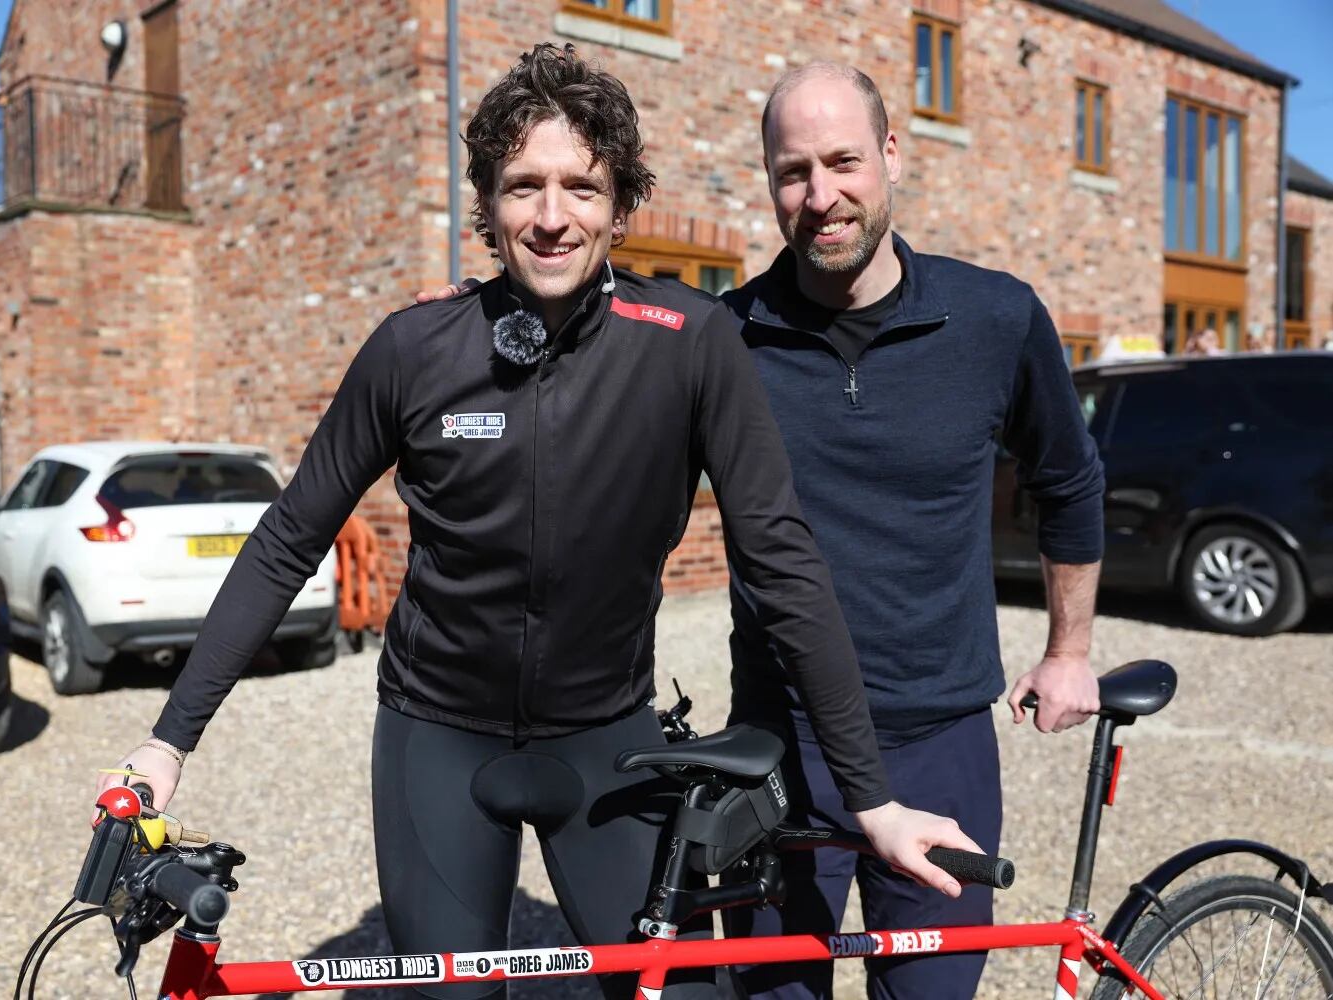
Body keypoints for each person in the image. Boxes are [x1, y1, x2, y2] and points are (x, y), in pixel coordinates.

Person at [99, 45, 977, 1000]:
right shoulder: (414, 348)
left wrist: (873, 800)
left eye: (581, 187)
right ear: (487, 202)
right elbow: (287, 539)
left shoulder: (690, 346)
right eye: (523, 187)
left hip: (608, 739)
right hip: (435, 740)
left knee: (676, 993)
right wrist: (168, 741)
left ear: (618, 203)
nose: (552, 217)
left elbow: (781, 562)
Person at [719, 64, 1105, 1000]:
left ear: (891, 153)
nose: (822, 196)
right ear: (769, 182)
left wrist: (1069, 650)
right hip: (779, 742)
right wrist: (483, 318)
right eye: (793, 171)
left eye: (844, 161)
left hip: (938, 740)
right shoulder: (722, 338)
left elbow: (1068, 478)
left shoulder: (995, 317)